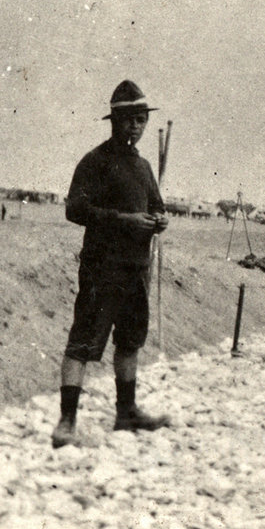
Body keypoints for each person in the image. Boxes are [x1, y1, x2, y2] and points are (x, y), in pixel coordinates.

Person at [52, 80, 170, 449]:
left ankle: (126, 412)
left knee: (130, 340)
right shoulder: (96, 161)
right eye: (128, 119)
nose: (135, 126)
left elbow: (155, 204)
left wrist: (159, 219)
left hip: (136, 268)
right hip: (102, 268)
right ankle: (66, 422)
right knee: (83, 341)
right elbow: (75, 209)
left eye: (140, 119)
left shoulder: (144, 166)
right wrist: (124, 220)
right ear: (113, 121)